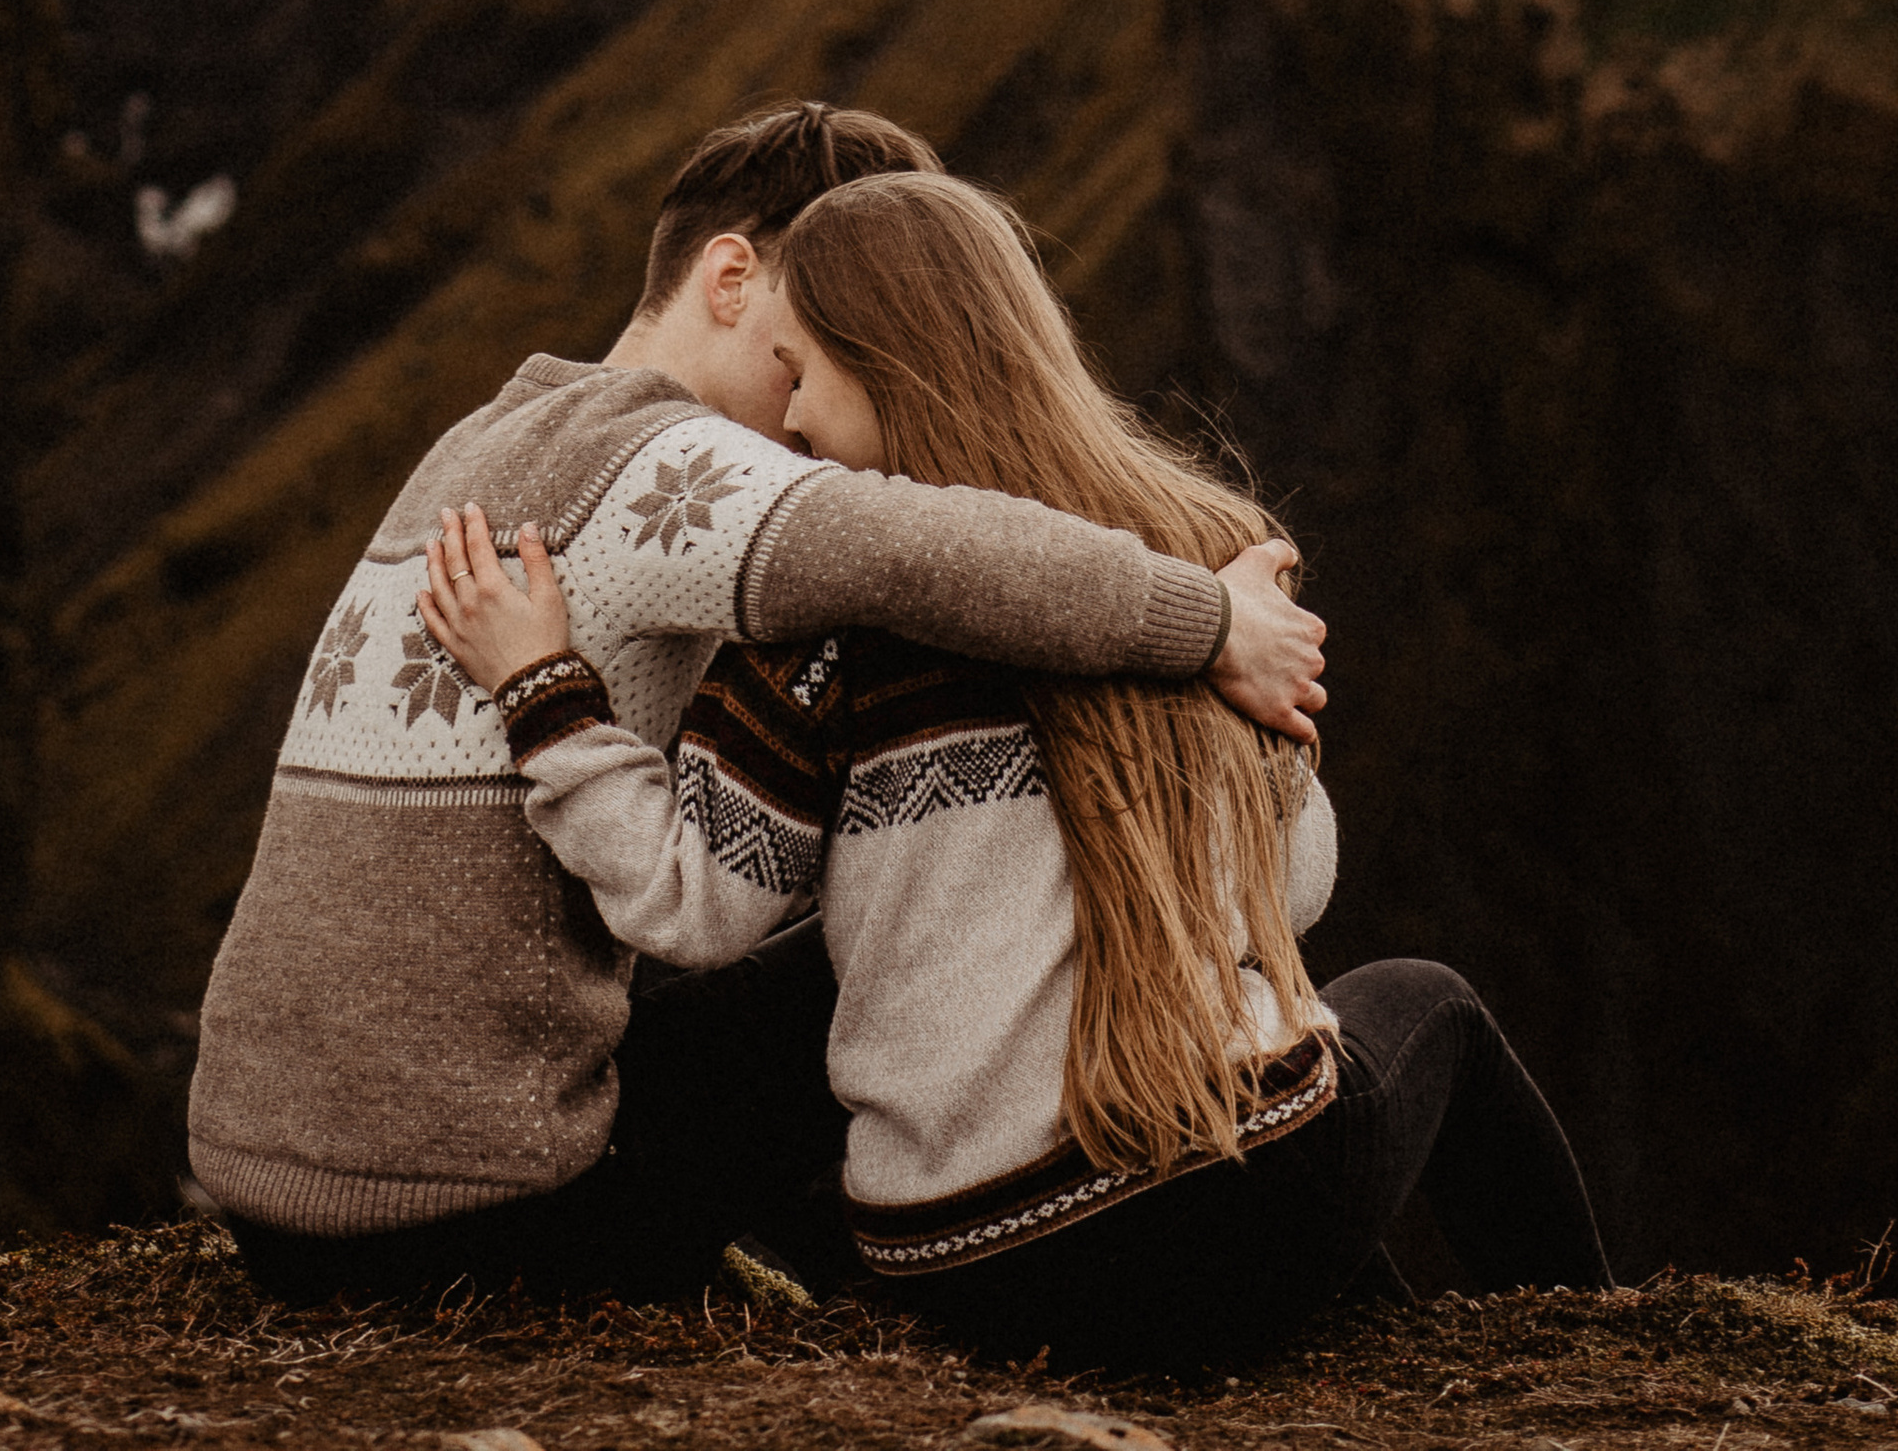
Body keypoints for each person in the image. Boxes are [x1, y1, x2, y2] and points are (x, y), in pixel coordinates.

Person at [420, 165, 1610, 1374]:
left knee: (1245, 1104)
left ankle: (1365, 1338)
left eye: (802, 373)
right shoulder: (1197, 571)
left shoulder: (818, 635)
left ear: (888, 363)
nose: (787, 423)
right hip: (1233, 1224)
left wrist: (544, 695)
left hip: (964, 1272)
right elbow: (1293, 894)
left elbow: (691, 904)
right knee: (1428, 1009)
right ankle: (1603, 1351)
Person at [188, 103, 1329, 1301]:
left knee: (833, 908)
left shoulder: (489, 434)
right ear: (733, 277)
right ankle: (1035, 1256)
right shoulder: (675, 468)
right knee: (901, 943)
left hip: (285, 1193)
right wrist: (1210, 626)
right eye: (811, 342)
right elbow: (932, 552)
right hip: (465, 1223)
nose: (809, 409)